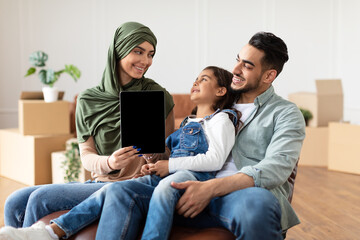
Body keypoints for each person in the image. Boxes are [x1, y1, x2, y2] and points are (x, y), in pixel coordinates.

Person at [0, 65, 241, 240]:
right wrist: (147, 160)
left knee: (42, 198)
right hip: (124, 177)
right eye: (196, 78)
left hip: (172, 180)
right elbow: (169, 155)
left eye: (204, 79)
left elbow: (212, 159)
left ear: (221, 91)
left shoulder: (220, 119)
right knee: (15, 200)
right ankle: (46, 232)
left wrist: (163, 165)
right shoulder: (186, 123)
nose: (196, 82)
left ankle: (50, 232)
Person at [3, 21, 175, 228]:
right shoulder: (88, 99)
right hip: (99, 181)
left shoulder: (159, 96)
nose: (145, 60)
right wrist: (110, 163)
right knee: (15, 201)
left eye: (151, 54)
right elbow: (86, 156)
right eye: (138, 51)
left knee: (42, 198)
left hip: (131, 185)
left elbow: (168, 153)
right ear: (119, 50)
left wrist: (152, 157)